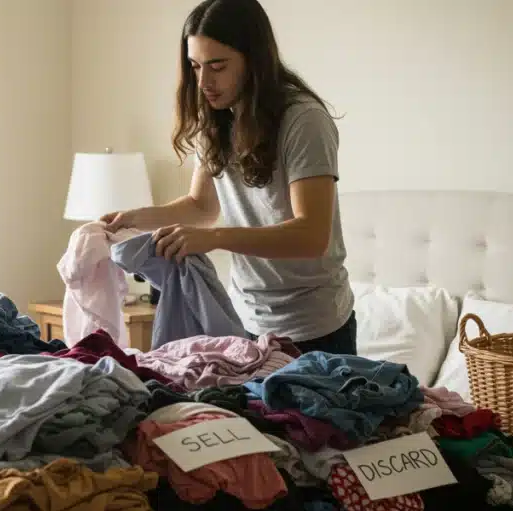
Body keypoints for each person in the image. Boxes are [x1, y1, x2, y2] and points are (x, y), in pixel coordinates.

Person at [101, 0, 355, 356]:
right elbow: (200, 206)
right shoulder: (216, 120)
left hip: (316, 328)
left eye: (217, 66)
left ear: (254, 61)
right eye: (195, 66)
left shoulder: (303, 121)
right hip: (246, 321)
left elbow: (311, 235)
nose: (204, 82)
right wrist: (132, 219)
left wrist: (214, 238)